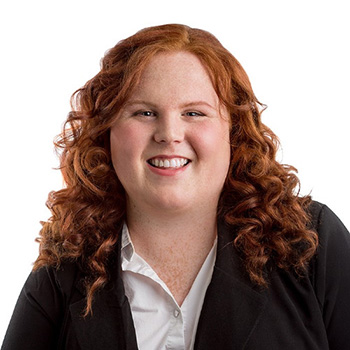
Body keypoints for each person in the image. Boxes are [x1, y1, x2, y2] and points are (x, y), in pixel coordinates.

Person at [2, 24, 350, 350]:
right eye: (144, 113)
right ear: (105, 133)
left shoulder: (311, 242)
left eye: (194, 113)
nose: (169, 134)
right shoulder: (64, 268)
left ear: (235, 132)